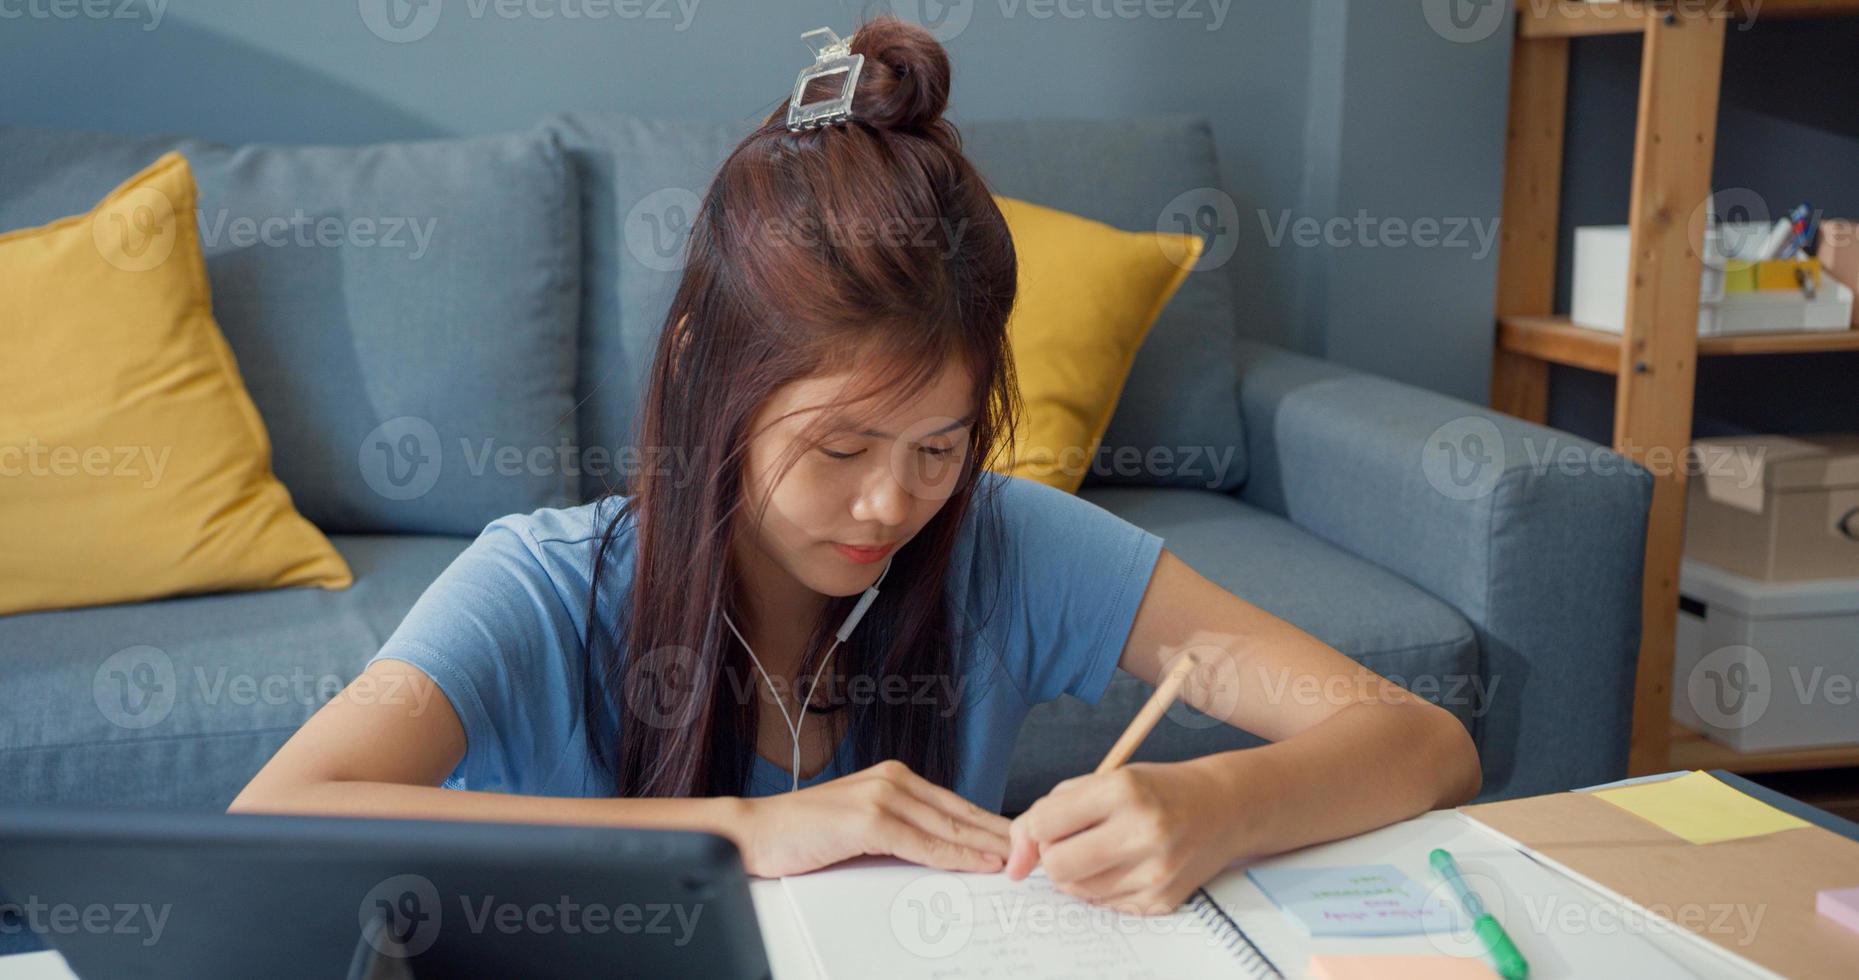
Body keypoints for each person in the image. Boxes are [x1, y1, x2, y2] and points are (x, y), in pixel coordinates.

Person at [231, 15, 1480, 916]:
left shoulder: (1005, 544)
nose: (893, 501)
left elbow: (1419, 742)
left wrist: (1215, 802)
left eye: (940, 445)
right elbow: (281, 818)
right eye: (838, 445)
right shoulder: (545, 587)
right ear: (702, 374)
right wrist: (739, 828)